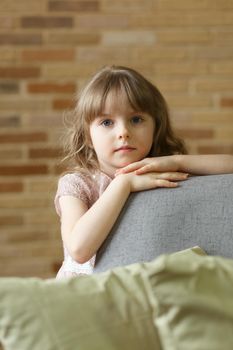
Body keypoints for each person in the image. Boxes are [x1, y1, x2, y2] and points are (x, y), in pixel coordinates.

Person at [54, 65, 233, 279]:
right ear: (87, 136)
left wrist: (176, 161)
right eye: (107, 122)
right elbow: (79, 250)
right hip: (84, 296)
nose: (123, 132)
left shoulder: (159, 175)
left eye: (136, 119)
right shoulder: (76, 184)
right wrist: (123, 184)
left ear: (156, 127)